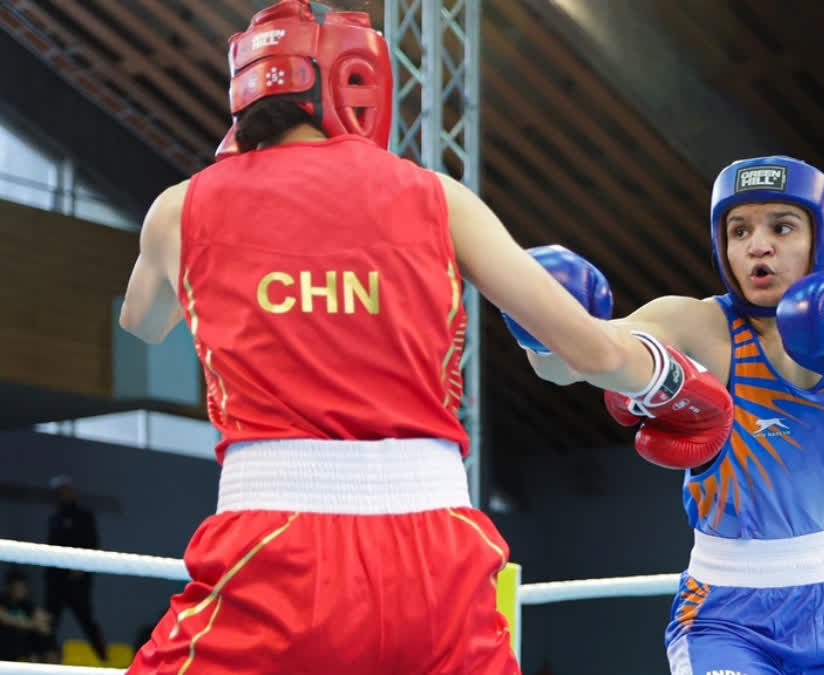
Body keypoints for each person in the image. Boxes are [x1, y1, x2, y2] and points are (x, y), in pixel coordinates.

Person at [116, 1, 733, 673]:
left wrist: (222, 222)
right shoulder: (438, 196)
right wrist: (676, 385)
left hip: (270, 551)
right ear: (355, 81)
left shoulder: (182, 208)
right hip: (437, 556)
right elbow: (593, 350)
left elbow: (141, 323)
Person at [504, 155, 824, 673]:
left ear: (820, 238)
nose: (758, 246)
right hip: (728, 617)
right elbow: (576, 363)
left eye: (781, 227)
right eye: (739, 230)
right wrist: (544, 323)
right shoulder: (697, 325)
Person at [44, 475, 107, 662]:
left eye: (65, 489)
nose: (62, 494)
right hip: (55, 580)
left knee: (86, 619)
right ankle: (46, 658)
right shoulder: (55, 518)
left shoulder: (84, 516)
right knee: (49, 622)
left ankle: (105, 659)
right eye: (59, 491)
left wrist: (81, 567)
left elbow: (92, 543)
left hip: (77, 581)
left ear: (71, 491)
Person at [1, 568, 57, 663]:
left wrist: (43, 621)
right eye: (18, 588)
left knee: (45, 636)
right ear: (9, 587)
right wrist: (32, 624)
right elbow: (3, 618)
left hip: (24, 645)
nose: (21, 591)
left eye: (23, 588)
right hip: (5, 643)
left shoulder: (27, 604)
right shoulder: (2, 599)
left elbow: (42, 618)